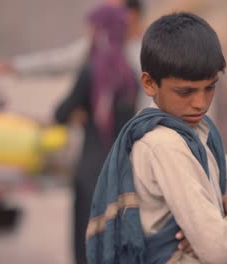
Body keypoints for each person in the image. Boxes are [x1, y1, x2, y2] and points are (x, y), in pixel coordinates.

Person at [86, 12, 227, 263]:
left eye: (210, 87)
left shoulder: (202, 132)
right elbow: (220, 248)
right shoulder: (165, 145)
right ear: (148, 83)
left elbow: (219, 224)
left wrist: (219, 227)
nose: (200, 103)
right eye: (185, 92)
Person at [54, 5, 139, 264]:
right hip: (121, 175)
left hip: (89, 174)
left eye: (92, 30)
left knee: (86, 249)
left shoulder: (90, 72)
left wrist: (82, 114)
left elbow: (60, 113)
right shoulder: (130, 76)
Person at [0, 0, 151, 110]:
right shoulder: (98, 49)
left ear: (131, 16)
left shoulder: (147, 53)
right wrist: (8, 67)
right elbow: (54, 61)